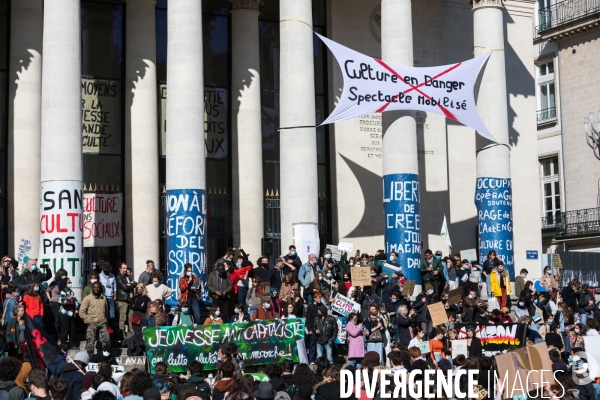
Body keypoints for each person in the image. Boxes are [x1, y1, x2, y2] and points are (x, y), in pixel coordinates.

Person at [79, 282, 110, 355]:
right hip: (92, 323)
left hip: (102, 323)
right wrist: (88, 320)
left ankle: (105, 358)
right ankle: (90, 359)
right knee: (90, 342)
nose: (96, 289)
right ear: (92, 288)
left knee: (106, 342)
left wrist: (106, 321)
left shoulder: (104, 298)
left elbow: (106, 310)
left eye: (98, 287)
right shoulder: (87, 298)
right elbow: (81, 312)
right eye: (95, 287)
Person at [305, 290, 327, 365]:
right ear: (314, 298)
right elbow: (308, 318)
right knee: (312, 345)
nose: (319, 299)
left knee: (320, 344)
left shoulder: (322, 306)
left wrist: (321, 314)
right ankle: (311, 360)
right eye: (318, 298)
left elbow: (325, 317)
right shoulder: (310, 307)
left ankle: (320, 360)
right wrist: (309, 329)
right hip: (312, 328)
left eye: (320, 298)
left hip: (320, 328)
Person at [57, 277, 79, 349]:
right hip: (65, 313)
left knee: (72, 329)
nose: (70, 283)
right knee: (65, 329)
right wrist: (68, 299)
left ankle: (72, 344)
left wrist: (76, 308)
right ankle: (64, 344)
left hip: (72, 313)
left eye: (70, 282)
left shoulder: (71, 292)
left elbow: (76, 301)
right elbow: (61, 301)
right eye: (68, 282)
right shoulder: (63, 292)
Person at [116, 263, 136, 339]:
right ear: (120, 269)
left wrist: (130, 284)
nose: (125, 270)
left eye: (126, 268)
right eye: (123, 268)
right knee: (123, 317)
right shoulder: (119, 277)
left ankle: (132, 332)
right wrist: (130, 285)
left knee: (131, 316)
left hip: (130, 299)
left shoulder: (128, 277)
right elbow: (125, 288)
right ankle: (121, 332)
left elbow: (135, 284)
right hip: (123, 299)